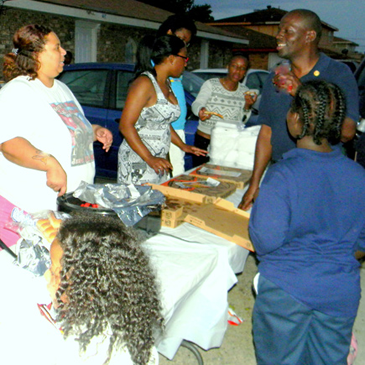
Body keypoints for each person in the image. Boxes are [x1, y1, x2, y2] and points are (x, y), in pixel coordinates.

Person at [249, 80, 365, 365]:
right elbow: (361, 242)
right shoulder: (358, 175)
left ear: (296, 119)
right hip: (340, 292)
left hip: (285, 290)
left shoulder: (283, 175)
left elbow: (265, 240)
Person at [0, 24, 113, 248]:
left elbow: (66, 129)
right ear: (36, 54)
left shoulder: (61, 88)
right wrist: (50, 163)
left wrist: (94, 131)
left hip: (72, 205)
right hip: (35, 212)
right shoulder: (17, 92)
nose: (64, 53)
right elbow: (9, 143)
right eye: (57, 47)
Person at [0, 215, 162, 364]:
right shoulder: (113, 307)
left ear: (88, 289)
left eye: (57, 273)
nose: (47, 276)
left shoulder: (90, 350)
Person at [239, 9, 359, 210]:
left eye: (288, 31)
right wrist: (255, 182)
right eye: (279, 30)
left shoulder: (338, 74)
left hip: (321, 179)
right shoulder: (277, 75)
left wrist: (302, 92)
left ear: (309, 36)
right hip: (280, 174)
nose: (279, 36)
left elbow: (347, 132)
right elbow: (267, 132)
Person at [118, 35, 206, 185]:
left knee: (155, 203)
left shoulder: (166, 83)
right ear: (171, 58)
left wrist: (183, 146)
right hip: (139, 160)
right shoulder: (144, 83)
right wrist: (149, 158)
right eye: (184, 59)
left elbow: (163, 123)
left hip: (159, 160)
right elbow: (125, 126)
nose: (186, 64)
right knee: (138, 204)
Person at [191, 54, 257, 166]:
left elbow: (241, 121)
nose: (237, 71)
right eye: (234, 66)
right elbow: (197, 103)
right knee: (200, 177)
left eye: (242, 68)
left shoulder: (244, 91)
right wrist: (200, 110)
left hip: (228, 143)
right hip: (204, 141)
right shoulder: (211, 84)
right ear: (228, 67)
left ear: (245, 72)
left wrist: (247, 106)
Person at [156, 15, 197, 176]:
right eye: (180, 38)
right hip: (167, 132)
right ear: (168, 33)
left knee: (177, 175)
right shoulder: (159, 67)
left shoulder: (176, 66)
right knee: (173, 178)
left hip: (177, 130)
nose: (183, 44)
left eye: (186, 42)